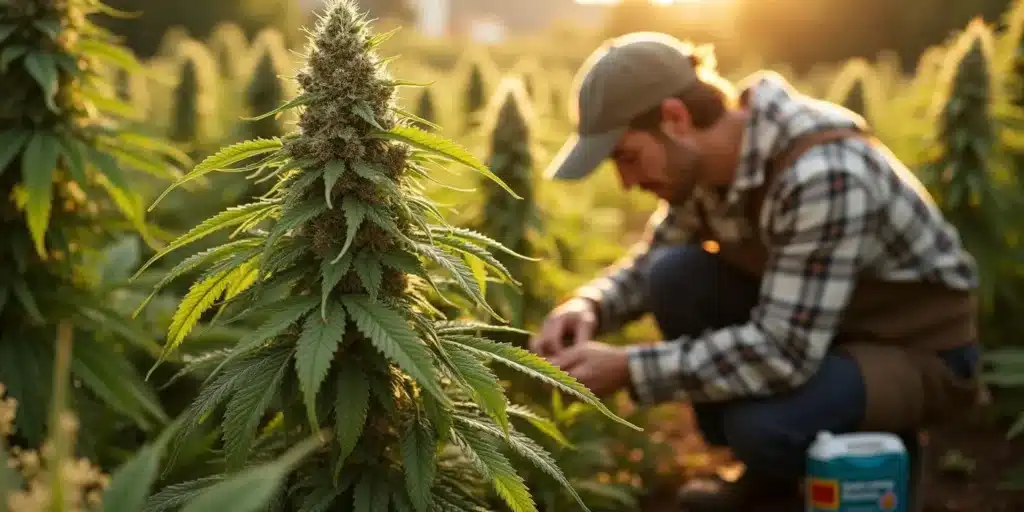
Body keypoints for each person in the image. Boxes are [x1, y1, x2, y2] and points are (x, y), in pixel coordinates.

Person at [530, 31, 986, 511]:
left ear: (675, 118)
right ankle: (771, 478)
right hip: (828, 334)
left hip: (918, 353)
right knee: (673, 274)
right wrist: (590, 305)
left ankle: (883, 454)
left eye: (627, 157)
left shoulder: (821, 173)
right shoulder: (703, 166)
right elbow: (649, 263)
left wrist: (629, 368)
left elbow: (784, 351)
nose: (625, 183)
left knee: (761, 426)